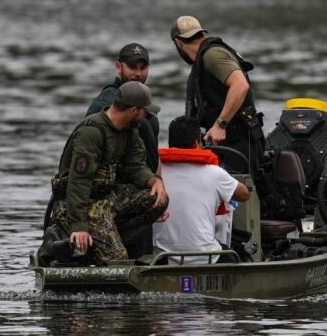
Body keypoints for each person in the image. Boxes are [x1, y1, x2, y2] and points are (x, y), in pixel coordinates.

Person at [45, 81, 168, 265]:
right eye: (145, 111)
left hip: (107, 198)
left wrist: (155, 181)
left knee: (158, 199)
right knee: (117, 260)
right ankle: (79, 244)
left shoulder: (130, 131)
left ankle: (108, 235)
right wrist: (79, 226)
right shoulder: (92, 133)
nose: (146, 116)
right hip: (83, 205)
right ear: (134, 110)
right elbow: (79, 182)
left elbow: (136, 167)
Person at [86, 43, 162, 258]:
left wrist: (156, 182)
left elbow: (147, 153)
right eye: (132, 67)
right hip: (115, 195)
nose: (138, 73)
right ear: (118, 67)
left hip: (139, 192)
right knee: (123, 256)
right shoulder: (105, 105)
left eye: (143, 67)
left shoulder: (143, 101)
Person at [170, 15, 265, 175]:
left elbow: (240, 85)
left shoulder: (212, 55)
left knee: (237, 197)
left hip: (240, 143)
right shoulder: (203, 59)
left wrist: (220, 125)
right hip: (229, 143)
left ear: (177, 42)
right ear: (201, 34)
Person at [153, 116, 250, 264]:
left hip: (163, 259)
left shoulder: (156, 174)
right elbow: (244, 194)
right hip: (206, 257)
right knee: (236, 254)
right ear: (197, 143)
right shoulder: (214, 173)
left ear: (170, 144)